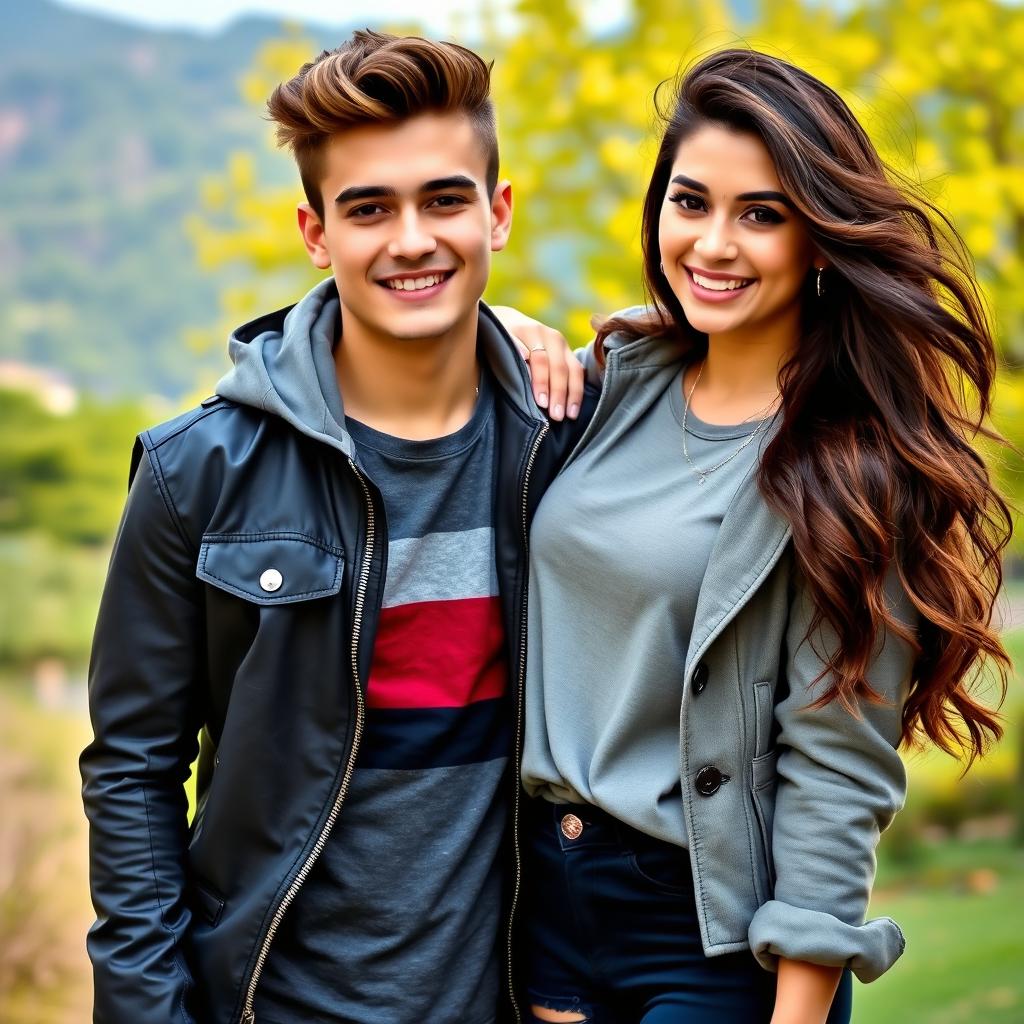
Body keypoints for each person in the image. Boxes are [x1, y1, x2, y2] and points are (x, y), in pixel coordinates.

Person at [80, 30, 590, 1024]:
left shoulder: (573, 447)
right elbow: (133, 771)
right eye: (369, 208)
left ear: (499, 213)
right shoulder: (196, 474)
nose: (410, 239)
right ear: (316, 232)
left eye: (444, 199)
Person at [494, 48, 1010, 1024]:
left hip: (710, 934)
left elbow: (836, 759)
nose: (714, 243)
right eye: (690, 202)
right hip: (540, 904)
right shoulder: (612, 385)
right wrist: (499, 331)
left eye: (760, 214)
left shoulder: (850, 468)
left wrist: (799, 1005)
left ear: (818, 237)